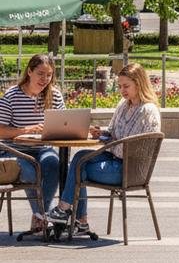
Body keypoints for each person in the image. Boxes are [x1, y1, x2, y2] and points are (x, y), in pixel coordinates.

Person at [48, 63, 161, 231]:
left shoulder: (147, 111)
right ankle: (79, 219)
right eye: (120, 86)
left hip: (129, 169)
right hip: (114, 158)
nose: (122, 90)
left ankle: (67, 211)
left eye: (126, 86)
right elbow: (113, 132)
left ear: (139, 83)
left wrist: (109, 142)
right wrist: (100, 133)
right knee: (80, 157)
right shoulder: (124, 105)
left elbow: (131, 148)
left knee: (79, 168)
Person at [0, 53, 64, 232]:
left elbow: (65, 122)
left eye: (49, 75)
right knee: (31, 171)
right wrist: (27, 129)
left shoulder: (55, 96)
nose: (45, 79)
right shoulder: (12, 95)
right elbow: (1, 130)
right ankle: (43, 216)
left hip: (43, 148)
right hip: (16, 150)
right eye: (41, 74)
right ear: (29, 72)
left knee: (54, 164)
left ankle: (40, 217)